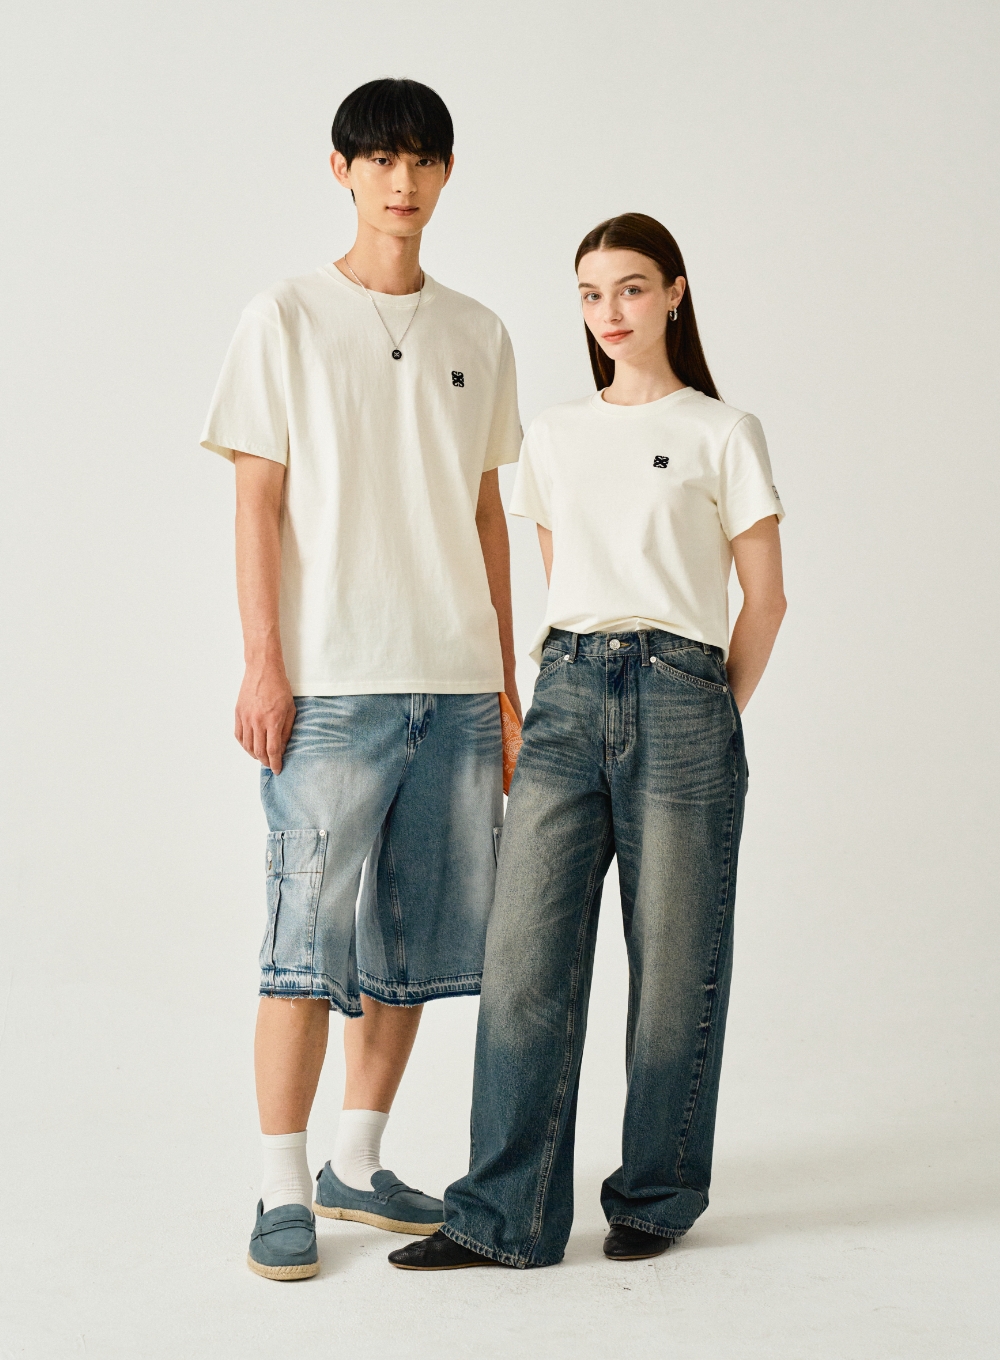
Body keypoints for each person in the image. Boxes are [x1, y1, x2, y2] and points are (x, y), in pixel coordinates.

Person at [389, 212, 787, 1271]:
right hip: (566, 692)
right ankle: (503, 1215)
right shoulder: (556, 433)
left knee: (676, 969)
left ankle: (655, 1195)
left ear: (674, 293)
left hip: (683, 693)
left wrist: (711, 710)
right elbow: (560, 575)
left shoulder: (722, 430)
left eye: (631, 288)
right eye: (591, 294)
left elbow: (765, 598)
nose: (609, 312)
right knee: (522, 960)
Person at [200, 77, 522, 1281]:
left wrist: (501, 678)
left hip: (455, 683)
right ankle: (280, 1184)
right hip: (331, 682)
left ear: (446, 174)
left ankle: (356, 1161)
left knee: (415, 945)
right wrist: (263, 662)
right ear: (340, 169)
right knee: (304, 938)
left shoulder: (479, 331)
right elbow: (257, 501)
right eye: (380, 158)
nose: (402, 180)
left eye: (422, 159)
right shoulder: (283, 316)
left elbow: (486, 515)